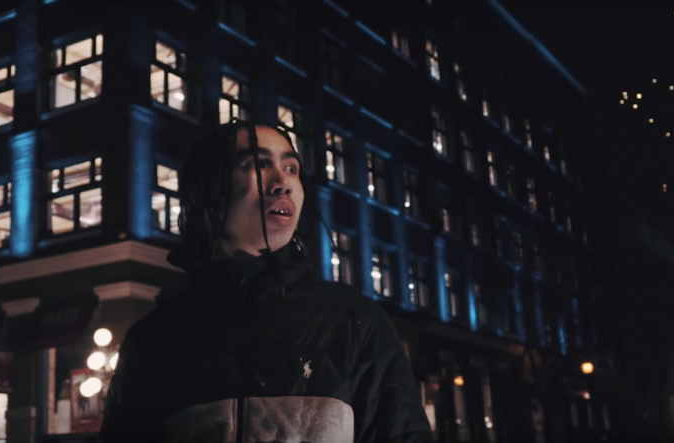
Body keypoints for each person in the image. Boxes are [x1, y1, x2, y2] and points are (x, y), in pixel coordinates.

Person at [100, 119, 435, 443]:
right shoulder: (154, 340)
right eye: (258, 164)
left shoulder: (356, 323)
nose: (283, 182)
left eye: (291, 168)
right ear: (208, 190)